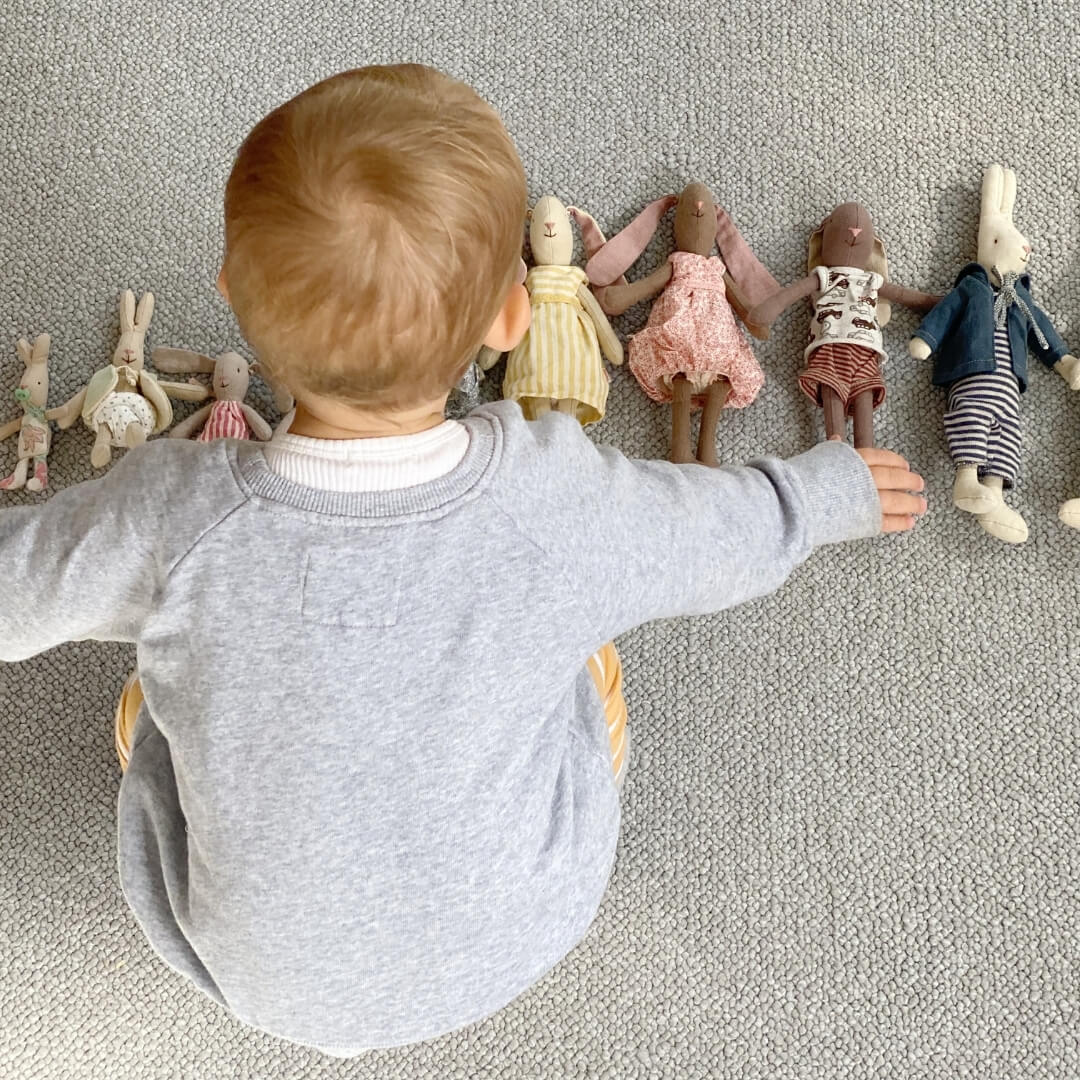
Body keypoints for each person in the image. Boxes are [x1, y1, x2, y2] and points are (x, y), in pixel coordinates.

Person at [0, 64, 926, 1056]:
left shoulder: (173, 511)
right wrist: (825, 492)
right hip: (520, 931)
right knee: (588, 660)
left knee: (153, 704)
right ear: (512, 322)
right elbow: (711, 533)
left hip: (262, 977)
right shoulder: (549, 498)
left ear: (234, 298)